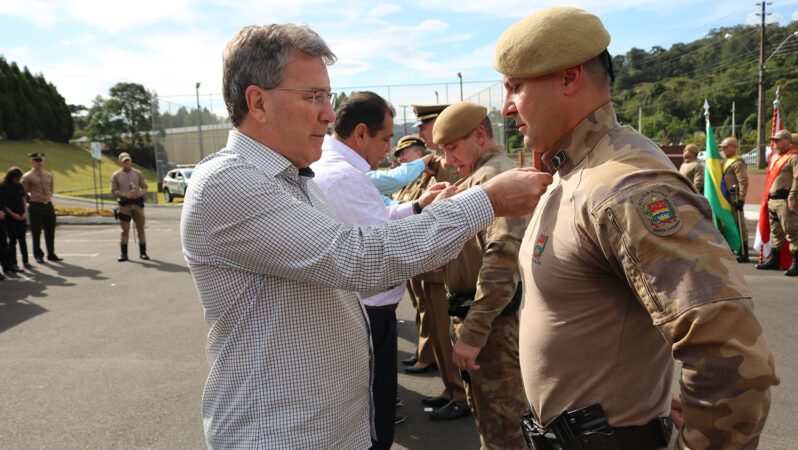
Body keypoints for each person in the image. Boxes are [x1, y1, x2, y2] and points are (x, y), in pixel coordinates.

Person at [180, 23, 552, 449]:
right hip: (281, 433)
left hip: (322, 427)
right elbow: (356, 258)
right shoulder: (230, 182)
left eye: (328, 97)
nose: (327, 113)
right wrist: (485, 201)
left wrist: (419, 211)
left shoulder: (294, 180)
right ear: (258, 102)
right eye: (313, 96)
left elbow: (354, 239)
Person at [495, 6, 778, 449]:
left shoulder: (624, 185)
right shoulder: (574, 172)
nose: (505, 106)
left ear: (569, 79)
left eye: (516, 87)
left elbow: (729, 352)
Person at [310, 91, 447, 449]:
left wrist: (417, 207)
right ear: (360, 134)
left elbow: (377, 222)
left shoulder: (337, 169)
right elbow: (385, 249)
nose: (388, 150)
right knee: (376, 418)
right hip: (370, 313)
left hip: (363, 309)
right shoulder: (344, 177)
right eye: (385, 139)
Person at [429, 101, 529, 448]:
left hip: (493, 326)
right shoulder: (478, 178)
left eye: (452, 148)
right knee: (493, 422)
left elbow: (502, 258)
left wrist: (473, 331)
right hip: (483, 319)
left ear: (480, 136)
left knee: (504, 430)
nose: (447, 159)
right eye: (442, 151)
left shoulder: (493, 179)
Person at [396, 104, 463, 378]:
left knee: (443, 327)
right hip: (426, 258)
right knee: (433, 321)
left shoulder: (447, 166)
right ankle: (450, 388)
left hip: (441, 263)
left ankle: (457, 393)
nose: (422, 131)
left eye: (425, 125)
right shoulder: (434, 164)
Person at [755, 129, 798, 276]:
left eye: (778, 140)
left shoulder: (794, 157)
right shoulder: (775, 157)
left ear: (788, 141)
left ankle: (797, 263)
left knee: (791, 231)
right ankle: (775, 260)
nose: (775, 142)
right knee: (776, 232)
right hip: (773, 200)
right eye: (774, 140)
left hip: (785, 199)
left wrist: (792, 197)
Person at [21, 152, 61, 263]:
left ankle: (51, 253)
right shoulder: (27, 176)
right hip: (35, 205)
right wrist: (31, 201)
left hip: (48, 204)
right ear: (32, 162)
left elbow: (51, 190)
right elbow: (24, 193)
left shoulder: (49, 175)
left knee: (50, 230)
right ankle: (38, 254)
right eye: (37, 161)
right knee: (36, 231)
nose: (40, 163)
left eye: (41, 160)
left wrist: (47, 198)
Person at [111, 152, 149, 261]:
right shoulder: (116, 175)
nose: (126, 163)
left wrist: (139, 194)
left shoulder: (138, 173)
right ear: (120, 162)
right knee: (124, 231)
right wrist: (125, 195)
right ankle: (124, 254)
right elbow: (113, 191)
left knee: (141, 229)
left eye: (128, 160)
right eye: (124, 161)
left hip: (137, 205)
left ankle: (143, 252)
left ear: (131, 161)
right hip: (124, 206)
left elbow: (145, 187)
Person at [720, 137, 750, 263]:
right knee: (728, 224)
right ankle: (731, 248)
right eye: (722, 148)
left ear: (733, 147)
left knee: (739, 225)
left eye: (725, 147)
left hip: (735, 198)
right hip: (725, 198)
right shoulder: (725, 161)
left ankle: (744, 252)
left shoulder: (737, 162)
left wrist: (741, 199)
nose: (723, 150)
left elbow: (743, 181)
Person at [3, 167, 29, 272]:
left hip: (21, 216)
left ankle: (26, 260)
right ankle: (13, 263)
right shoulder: (4, 187)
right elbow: (3, 205)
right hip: (10, 218)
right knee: (12, 241)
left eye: (19, 178)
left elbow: (23, 199)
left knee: (22, 239)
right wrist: (13, 214)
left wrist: (25, 212)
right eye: (16, 178)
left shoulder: (20, 186)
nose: (18, 180)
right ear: (11, 177)